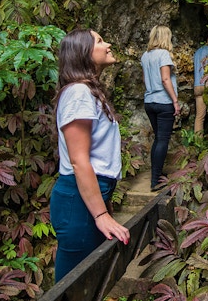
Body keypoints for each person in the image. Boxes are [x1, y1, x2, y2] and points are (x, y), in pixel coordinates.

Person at [50, 28, 130, 283]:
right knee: (72, 286)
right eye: (99, 41)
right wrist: (100, 215)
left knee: (86, 283)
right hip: (77, 200)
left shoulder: (86, 92)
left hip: (86, 197)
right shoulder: (78, 93)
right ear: (84, 53)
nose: (107, 44)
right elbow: (79, 160)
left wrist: (102, 208)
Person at [141, 25, 180, 191]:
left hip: (149, 101)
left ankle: (157, 173)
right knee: (163, 139)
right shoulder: (163, 54)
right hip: (163, 102)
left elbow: (145, 79)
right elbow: (165, 79)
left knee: (158, 138)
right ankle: (155, 180)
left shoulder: (145, 55)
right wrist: (175, 101)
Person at [193, 34, 208, 135]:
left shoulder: (197, 52)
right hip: (206, 84)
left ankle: (198, 142)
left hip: (197, 85)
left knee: (200, 116)